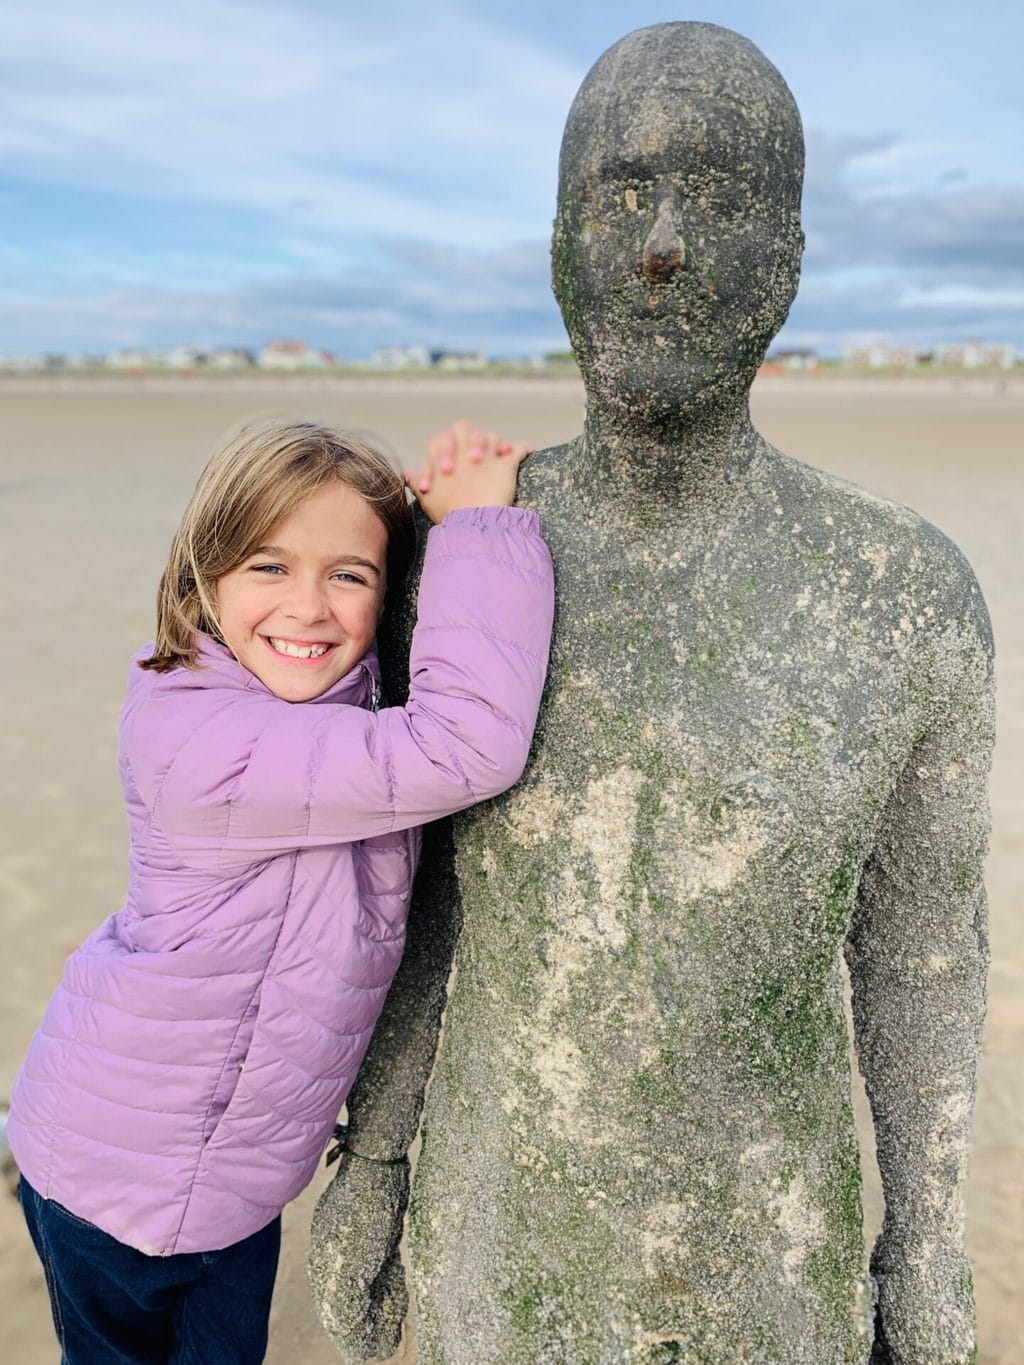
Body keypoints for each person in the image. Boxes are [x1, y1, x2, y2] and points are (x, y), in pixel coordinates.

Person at [6, 414, 554, 1363]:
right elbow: (465, 745)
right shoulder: (198, 738)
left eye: (351, 574)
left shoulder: (336, 710)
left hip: (235, 1185)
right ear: (201, 577)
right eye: (268, 565)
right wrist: (478, 531)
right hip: (109, 1176)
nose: (308, 607)